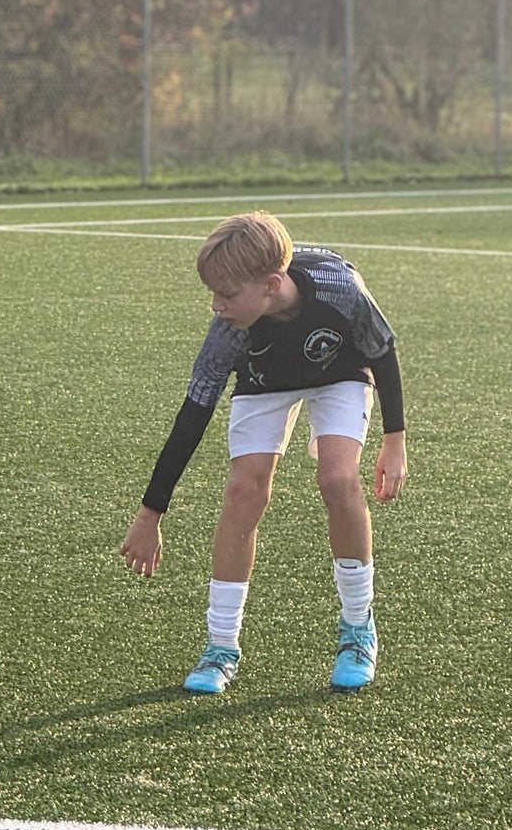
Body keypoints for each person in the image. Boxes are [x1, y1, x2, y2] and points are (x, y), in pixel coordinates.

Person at [120, 211, 406, 693]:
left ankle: (358, 631)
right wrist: (151, 514)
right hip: (266, 380)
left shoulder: (340, 286)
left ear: (272, 285)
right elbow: (193, 415)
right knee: (243, 491)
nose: (216, 306)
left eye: (226, 294)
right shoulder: (231, 330)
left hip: (340, 372)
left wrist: (394, 440)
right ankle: (221, 647)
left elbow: (382, 350)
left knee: (338, 479)